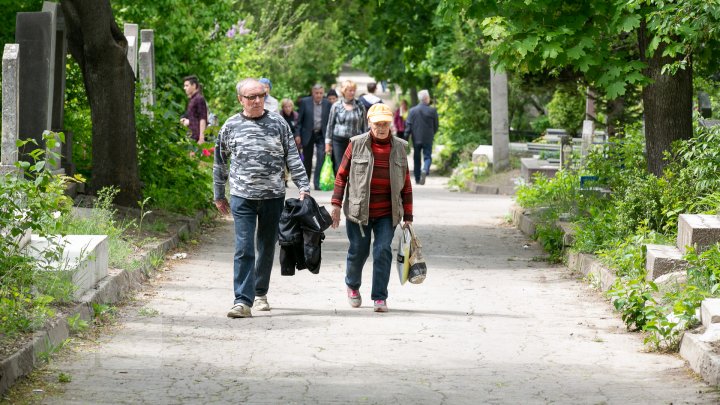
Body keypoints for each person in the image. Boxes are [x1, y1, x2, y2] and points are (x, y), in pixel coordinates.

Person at [214, 78, 311, 319]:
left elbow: (293, 157)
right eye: (251, 97)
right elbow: (220, 163)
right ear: (241, 100)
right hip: (242, 197)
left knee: (266, 246)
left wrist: (303, 186)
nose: (258, 100)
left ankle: (260, 293)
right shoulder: (230, 126)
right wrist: (218, 195)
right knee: (244, 247)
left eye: (261, 96)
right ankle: (242, 301)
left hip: (272, 196)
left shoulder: (278, 123)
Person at [330, 103, 413, 313]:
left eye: (385, 123)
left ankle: (379, 297)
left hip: (387, 211)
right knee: (358, 251)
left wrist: (408, 215)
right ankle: (352, 285)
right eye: (377, 123)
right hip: (359, 211)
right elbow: (341, 175)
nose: (382, 127)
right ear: (369, 123)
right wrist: (336, 205)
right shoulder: (356, 144)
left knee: (382, 250)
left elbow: (406, 183)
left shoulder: (400, 147)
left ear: (390, 123)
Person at [325, 80, 367, 174]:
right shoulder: (336, 106)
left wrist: (366, 142)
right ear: (344, 91)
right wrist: (328, 144)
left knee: (353, 168)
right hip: (338, 141)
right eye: (350, 90)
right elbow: (330, 125)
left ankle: (351, 188)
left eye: (353, 90)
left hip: (355, 141)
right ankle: (340, 188)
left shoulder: (360, 106)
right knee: (340, 168)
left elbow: (364, 125)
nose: (352, 92)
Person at [296, 84, 331, 190]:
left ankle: (317, 183)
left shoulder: (327, 103)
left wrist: (330, 139)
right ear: (312, 93)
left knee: (321, 157)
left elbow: (330, 121)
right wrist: (297, 134)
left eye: (321, 93)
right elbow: (299, 121)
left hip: (321, 134)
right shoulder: (305, 102)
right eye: (316, 93)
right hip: (308, 133)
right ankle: (306, 184)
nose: (319, 95)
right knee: (307, 159)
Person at [405, 89, 439, 185]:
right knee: (427, 156)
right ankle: (425, 169)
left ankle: (417, 178)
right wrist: (432, 133)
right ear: (427, 98)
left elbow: (408, 126)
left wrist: (406, 139)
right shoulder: (432, 110)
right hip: (428, 137)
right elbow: (436, 126)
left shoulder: (412, 111)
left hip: (416, 138)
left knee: (416, 157)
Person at [180, 75, 208, 144]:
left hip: (197, 138)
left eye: (187, 85)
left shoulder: (199, 99)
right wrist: (185, 120)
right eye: (184, 86)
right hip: (191, 137)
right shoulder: (192, 100)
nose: (184, 88)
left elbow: (203, 119)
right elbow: (193, 118)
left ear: (194, 86)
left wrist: (201, 138)